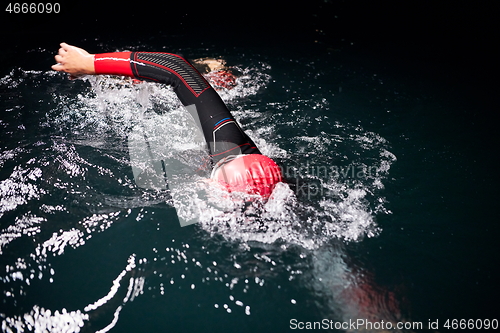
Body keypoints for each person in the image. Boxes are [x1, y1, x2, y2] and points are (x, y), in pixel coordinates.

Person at [52, 43, 283, 198]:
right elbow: (177, 68)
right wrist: (89, 63)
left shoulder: (227, 151)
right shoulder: (229, 145)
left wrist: (89, 62)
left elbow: (177, 68)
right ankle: (216, 73)